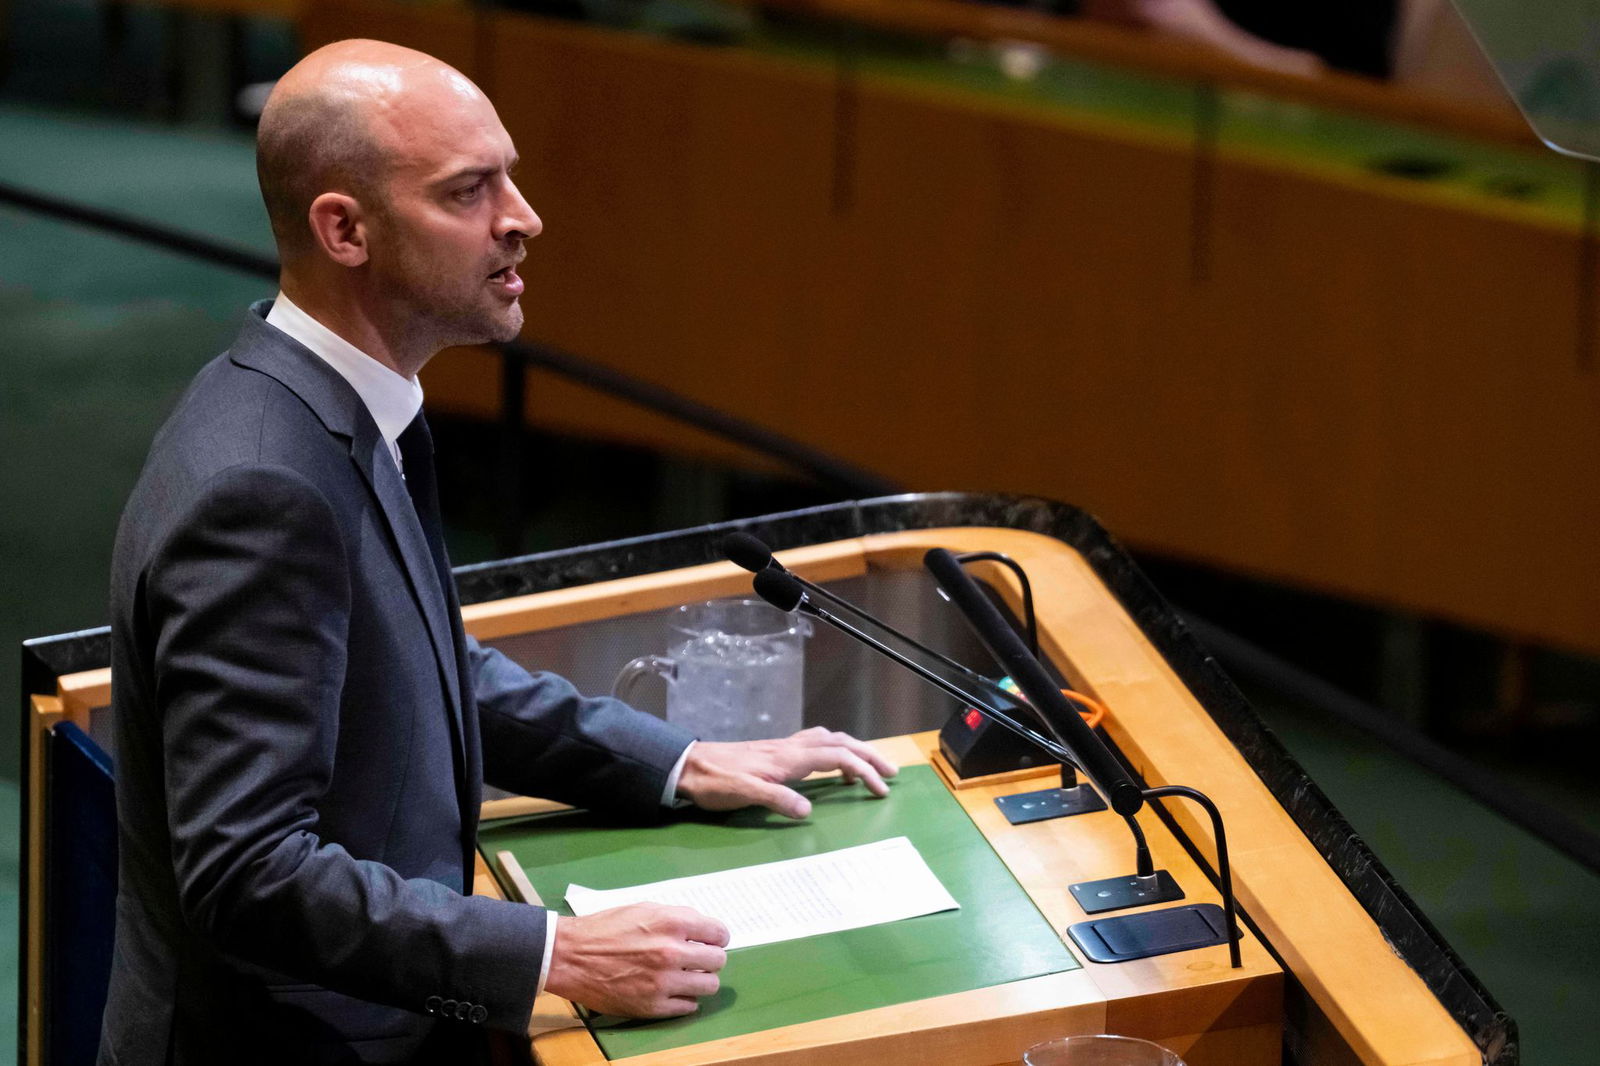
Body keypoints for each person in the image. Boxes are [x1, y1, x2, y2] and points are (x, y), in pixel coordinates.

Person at [99, 38, 897, 1066]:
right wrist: (553, 953)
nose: (523, 217)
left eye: (508, 176)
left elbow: (412, 667)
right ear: (344, 229)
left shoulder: (336, 408)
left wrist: (674, 762)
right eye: (469, 190)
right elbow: (248, 871)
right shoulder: (264, 483)